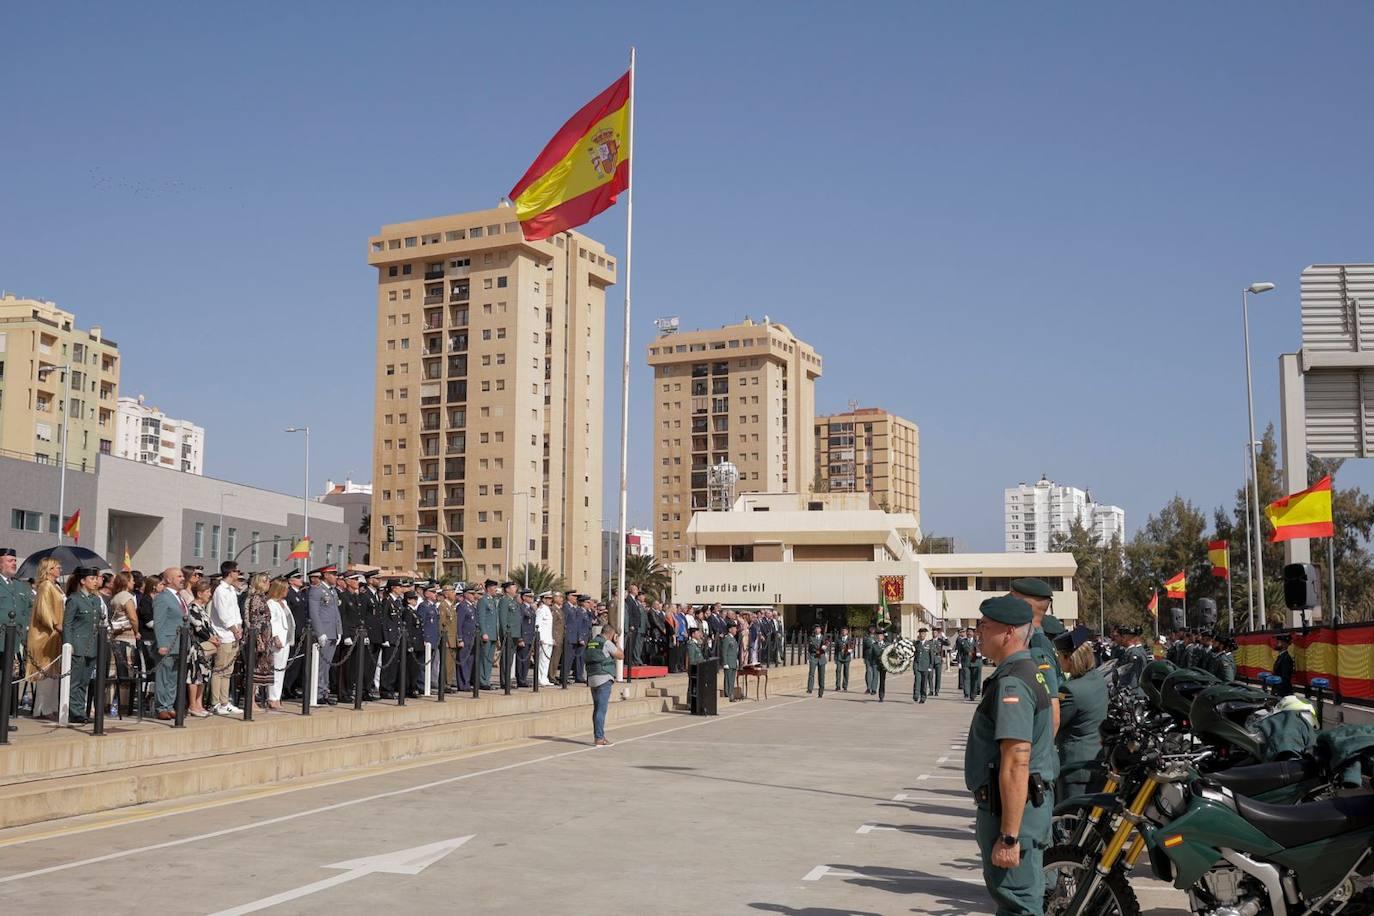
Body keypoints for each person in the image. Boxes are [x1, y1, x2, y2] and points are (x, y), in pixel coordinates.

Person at [965, 595, 1055, 916]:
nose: (978, 633)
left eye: (984, 626)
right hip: (1021, 809)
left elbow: (1017, 763)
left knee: (1019, 904)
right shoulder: (1027, 671)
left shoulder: (1013, 683)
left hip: (1015, 814)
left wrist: (1008, 836)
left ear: (1007, 633)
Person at [1053, 629, 1108, 805]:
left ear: (1070, 658)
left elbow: (1055, 722)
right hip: (1096, 758)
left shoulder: (1069, 690)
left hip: (1075, 764)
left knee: (1070, 823)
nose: (1059, 660)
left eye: (1060, 656)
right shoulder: (1097, 679)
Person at [1010, 578, 1063, 736]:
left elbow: (1052, 708)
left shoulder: (1037, 644)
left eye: (1013, 597)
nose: (1008, 603)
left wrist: (1039, 756)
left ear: (1027, 605)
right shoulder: (1032, 640)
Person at [61, 567, 103, 724]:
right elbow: (68, 624)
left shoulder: (96, 600)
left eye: (95, 579)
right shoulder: (74, 599)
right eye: (91, 579)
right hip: (78, 645)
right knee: (75, 680)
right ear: (83, 581)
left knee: (85, 681)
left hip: (92, 645)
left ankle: (80, 710)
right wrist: (68, 643)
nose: (95, 582)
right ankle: (74, 711)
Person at [27, 558, 65, 720]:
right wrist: (55, 624)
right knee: (46, 672)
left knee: (54, 672)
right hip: (46, 634)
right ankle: (42, 709)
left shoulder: (57, 586)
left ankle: (52, 706)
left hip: (56, 635)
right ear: (49, 569)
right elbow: (43, 609)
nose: (60, 569)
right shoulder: (45, 586)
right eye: (57, 567)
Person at [209, 562, 244, 715]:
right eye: (237, 571)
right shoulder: (220, 591)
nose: (239, 574)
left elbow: (235, 611)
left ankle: (225, 701)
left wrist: (239, 626)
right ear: (230, 572)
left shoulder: (231, 590)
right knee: (220, 669)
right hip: (223, 634)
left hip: (233, 634)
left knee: (228, 671)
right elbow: (223, 614)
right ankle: (215, 702)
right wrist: (233, 628)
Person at [153, 567, 187, 720]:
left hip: (180, 642)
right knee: (164, 676)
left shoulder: (180, 597)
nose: (182, 578)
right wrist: (161, 644)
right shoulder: (162, 597)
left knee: (173, 677)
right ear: (169, 579)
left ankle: (169, 705)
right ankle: (161, 707)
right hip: (168, 642)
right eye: (179, 576)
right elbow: (159, 623)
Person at [307, 566, 343, 705]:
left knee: (327, 665)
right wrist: (320, 632)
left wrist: (339, 630)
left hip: (332, 632)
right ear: (326, 575)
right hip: (324, 632)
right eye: (333, 574)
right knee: (320, 665)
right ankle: (317, 692)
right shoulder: (317, 590)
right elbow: (314, 613)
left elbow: (336, 613)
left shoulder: (332, 591)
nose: (336, 577)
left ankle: (324, 691)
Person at [585, 624, 623, 747]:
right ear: (611, 634)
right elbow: (621, 655)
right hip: (604, 677)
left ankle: (599, 735)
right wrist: (617, 642)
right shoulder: (606, 643)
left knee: (597, 709)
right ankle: (599, 738)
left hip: (592, 678)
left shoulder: (591, 642)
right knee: (601, 710)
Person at [184, 578, 217, 717]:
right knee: (194, 676)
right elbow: (198, 627)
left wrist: (215, 637)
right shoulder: (192, 608)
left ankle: (199, 704)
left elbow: (209, 626)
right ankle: (192, 705)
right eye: (207, 591)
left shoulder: (202, 609)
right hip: (196, 647)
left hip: (206, 649)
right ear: (199, 593)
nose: (210, 594)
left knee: (203, 676)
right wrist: (210, 638)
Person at [243, 573, 274, 711]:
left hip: (265, 636)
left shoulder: (262, 598)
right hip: (257, 638)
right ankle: (250, 702)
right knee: (253, 669)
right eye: (266, 581)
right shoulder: (255, 599)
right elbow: (253, 620)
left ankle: (254, 701)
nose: (269, 584)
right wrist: (259, 640)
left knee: (259, 670)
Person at [265, 578, 294, 710]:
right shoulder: (271, 603)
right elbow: (272, 622)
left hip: (286, 639)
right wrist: (275, 637)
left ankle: (277, 697)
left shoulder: (284, 602)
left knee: (281, 669)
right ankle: (272, 697)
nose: (287, 590)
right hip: (278, 640)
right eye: (286, 588)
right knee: (275, 669)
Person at [282, 569, 310, 698]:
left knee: (298, 663)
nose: (301, 579)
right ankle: (285, 688)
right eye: (297, 577)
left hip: (302, 633)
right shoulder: (289, 594)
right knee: (291, 661)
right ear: (291, 580)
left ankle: (291, 686)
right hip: (294, 632)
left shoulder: (301, 594)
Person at [475, 579, 500, 689]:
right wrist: (483, 632)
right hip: (487, 634)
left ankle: (487, 680)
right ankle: (482, 681)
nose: (496, 590)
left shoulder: (493, 601)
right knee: (483, 659)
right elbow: (481, 618)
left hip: (493, 634)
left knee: (489, 660)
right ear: (489, 588)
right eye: (494, 588)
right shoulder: (483, 600)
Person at [535, 592, 554, 687]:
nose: (550, 600)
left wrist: (551, 638)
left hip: (548, 639)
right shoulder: (541, 610)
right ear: (543, 599)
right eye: (548, 598)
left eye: (551, 598)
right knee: (542, 660)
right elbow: (537, 625)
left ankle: (544, 677)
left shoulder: (548, 609)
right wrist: (540, 638)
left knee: (546, 660)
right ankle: (540, 678)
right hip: (543, 639)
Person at [720, 620, 740, 702]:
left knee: (732, 679)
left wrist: (737, 660)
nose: (735, 630)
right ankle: (728, 693)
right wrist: (725, 663)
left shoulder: (733, 639)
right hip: (728, 662)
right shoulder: (727, 639)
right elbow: (724, 651)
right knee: (728, 679)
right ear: (730, 629)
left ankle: (731, 692)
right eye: (734, 628)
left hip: (733, 662)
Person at [913, 627, 935, 704]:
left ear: (925, 635)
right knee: (917, 681)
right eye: (920, 633)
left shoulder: (929, 644)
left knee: (924, 683)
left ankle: (923, 697)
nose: (922, 635)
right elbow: (913, 654)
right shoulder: (916, 643)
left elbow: (931, 656)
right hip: (917, 665)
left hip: (926, 666)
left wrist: (930, 666)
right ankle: (916, 695)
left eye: (923, 633)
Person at [806, 623, 827, 696]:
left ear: (821, 630)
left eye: (818, 628)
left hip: (821, 657)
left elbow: (826, 647)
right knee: (811, 673)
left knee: (821, 675)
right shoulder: (811, 638)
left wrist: (824, 648)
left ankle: (821, 691)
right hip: (813, 656)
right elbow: (810, 647)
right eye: (816, 629)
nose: (817, 630)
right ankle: (809, 688)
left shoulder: (824, 638)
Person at [833, 626, 852, 691]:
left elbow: (852, 647)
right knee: (838, 671)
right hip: (839, 657)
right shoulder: (838, 639)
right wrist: (835, 658)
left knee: (846, 672)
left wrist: (850, 650)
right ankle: (838, 686)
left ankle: (845, 685)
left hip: (846, 657)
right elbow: (836, 649)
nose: (844, 632)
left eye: (845, 631)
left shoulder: (850, 639)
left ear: (847, 632)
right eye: (843, 631)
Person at [862, 624, 878, 694]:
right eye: (871, 628)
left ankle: (874, 688)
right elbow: (867, 644)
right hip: (868, 657)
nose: (872, 630)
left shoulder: (878, 636)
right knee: (868, 671)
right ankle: (868, 687)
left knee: (875, 673)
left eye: (873, 628)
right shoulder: (866, 637)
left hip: (875, 657)